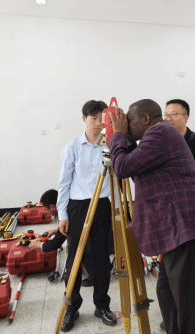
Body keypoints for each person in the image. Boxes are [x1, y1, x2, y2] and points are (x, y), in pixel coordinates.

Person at [108, 99, 195, 334]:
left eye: (129, 120)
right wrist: (124, 138)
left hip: (187, 227)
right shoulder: (157, 136)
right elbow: (135, 165)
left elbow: (123, 167)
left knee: (191, 308)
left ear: (145, 119)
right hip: (177, 229)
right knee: (168, 297)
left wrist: (117, 134)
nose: (126, 124)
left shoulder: (160, 133)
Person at [56, 100, 116, 332]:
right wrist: (63, 214)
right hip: (78, 207)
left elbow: (117, 178)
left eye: (102, 119)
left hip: (102, 205)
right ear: (84, 119)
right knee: (74, 259)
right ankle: (72, 307)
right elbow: (64, 182)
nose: (98, 124)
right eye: (93, 119)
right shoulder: (72, 147)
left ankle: (102, 305)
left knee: (102, 259)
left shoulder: (110, 145)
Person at [28, 189, 95, 287]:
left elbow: (56, 243)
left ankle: (95, 277)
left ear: (52, 207)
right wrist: (55, 230)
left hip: (94, 241)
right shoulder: (71, 205)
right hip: (97, 233)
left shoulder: (66, 215)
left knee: (78, 247)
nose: (47, 212)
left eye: (46, 209)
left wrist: (38, 244)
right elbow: (72, 226)